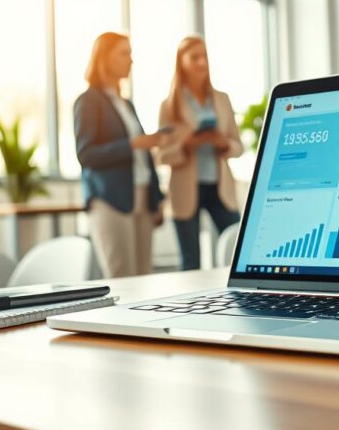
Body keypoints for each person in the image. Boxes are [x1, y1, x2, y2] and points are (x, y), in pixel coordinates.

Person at [74, 32, 168, 278]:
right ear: (104, 58)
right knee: (121, 275)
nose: (131, 60)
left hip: (142, 195)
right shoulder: (88, 101)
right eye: (124, 53)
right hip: (110, 198)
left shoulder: (127, 103)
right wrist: (132, 144)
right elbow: (86, 154)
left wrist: (156, 197)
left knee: (143, 275)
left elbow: (144, 157)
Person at [156, 35, 243, 271]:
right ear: (181, 61)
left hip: (220, 187)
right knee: (190, 260)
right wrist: (187, 146)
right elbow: (162, 155)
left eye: (204, 56)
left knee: (238, 249)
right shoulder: (169, 105)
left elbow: (238, 145)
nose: (201, 62)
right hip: (185, 189)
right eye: (194, 57)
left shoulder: (222, 100)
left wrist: (222, 143)